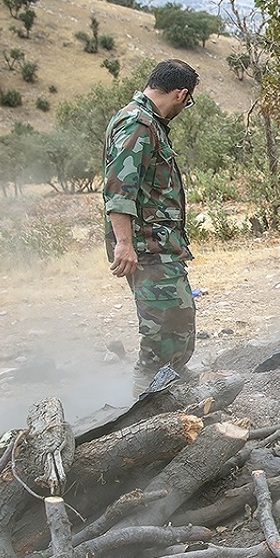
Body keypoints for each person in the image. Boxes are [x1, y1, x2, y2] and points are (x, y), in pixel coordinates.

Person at [102, 59, 200, 395]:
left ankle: (171, 386)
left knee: (178, 320)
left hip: (159, 243)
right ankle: (146, 396)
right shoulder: (138, 124)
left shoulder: (147, 123)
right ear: (180, 94)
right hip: (145, 246)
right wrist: (124, 244)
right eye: (187, 103)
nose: (185, 108)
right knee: (161, 329)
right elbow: (119, 190)